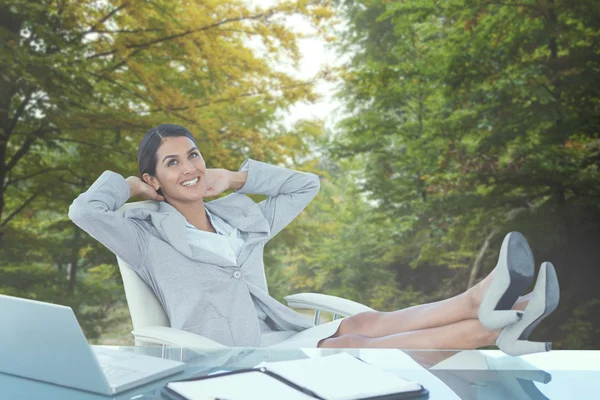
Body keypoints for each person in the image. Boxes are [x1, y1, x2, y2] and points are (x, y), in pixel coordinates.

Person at [68, 124, 560, 355]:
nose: (189, 167)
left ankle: (488, 297)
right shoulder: (143, 234)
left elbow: (306, 184)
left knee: (361, 322)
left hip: (277, 333)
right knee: (352, 343)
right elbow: (84, 210)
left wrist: (236, 179)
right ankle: (495, 327)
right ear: (154, 179)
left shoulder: (239, 218)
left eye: (193, 155)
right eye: (172, 163)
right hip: (229, 354)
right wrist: (133, 187)